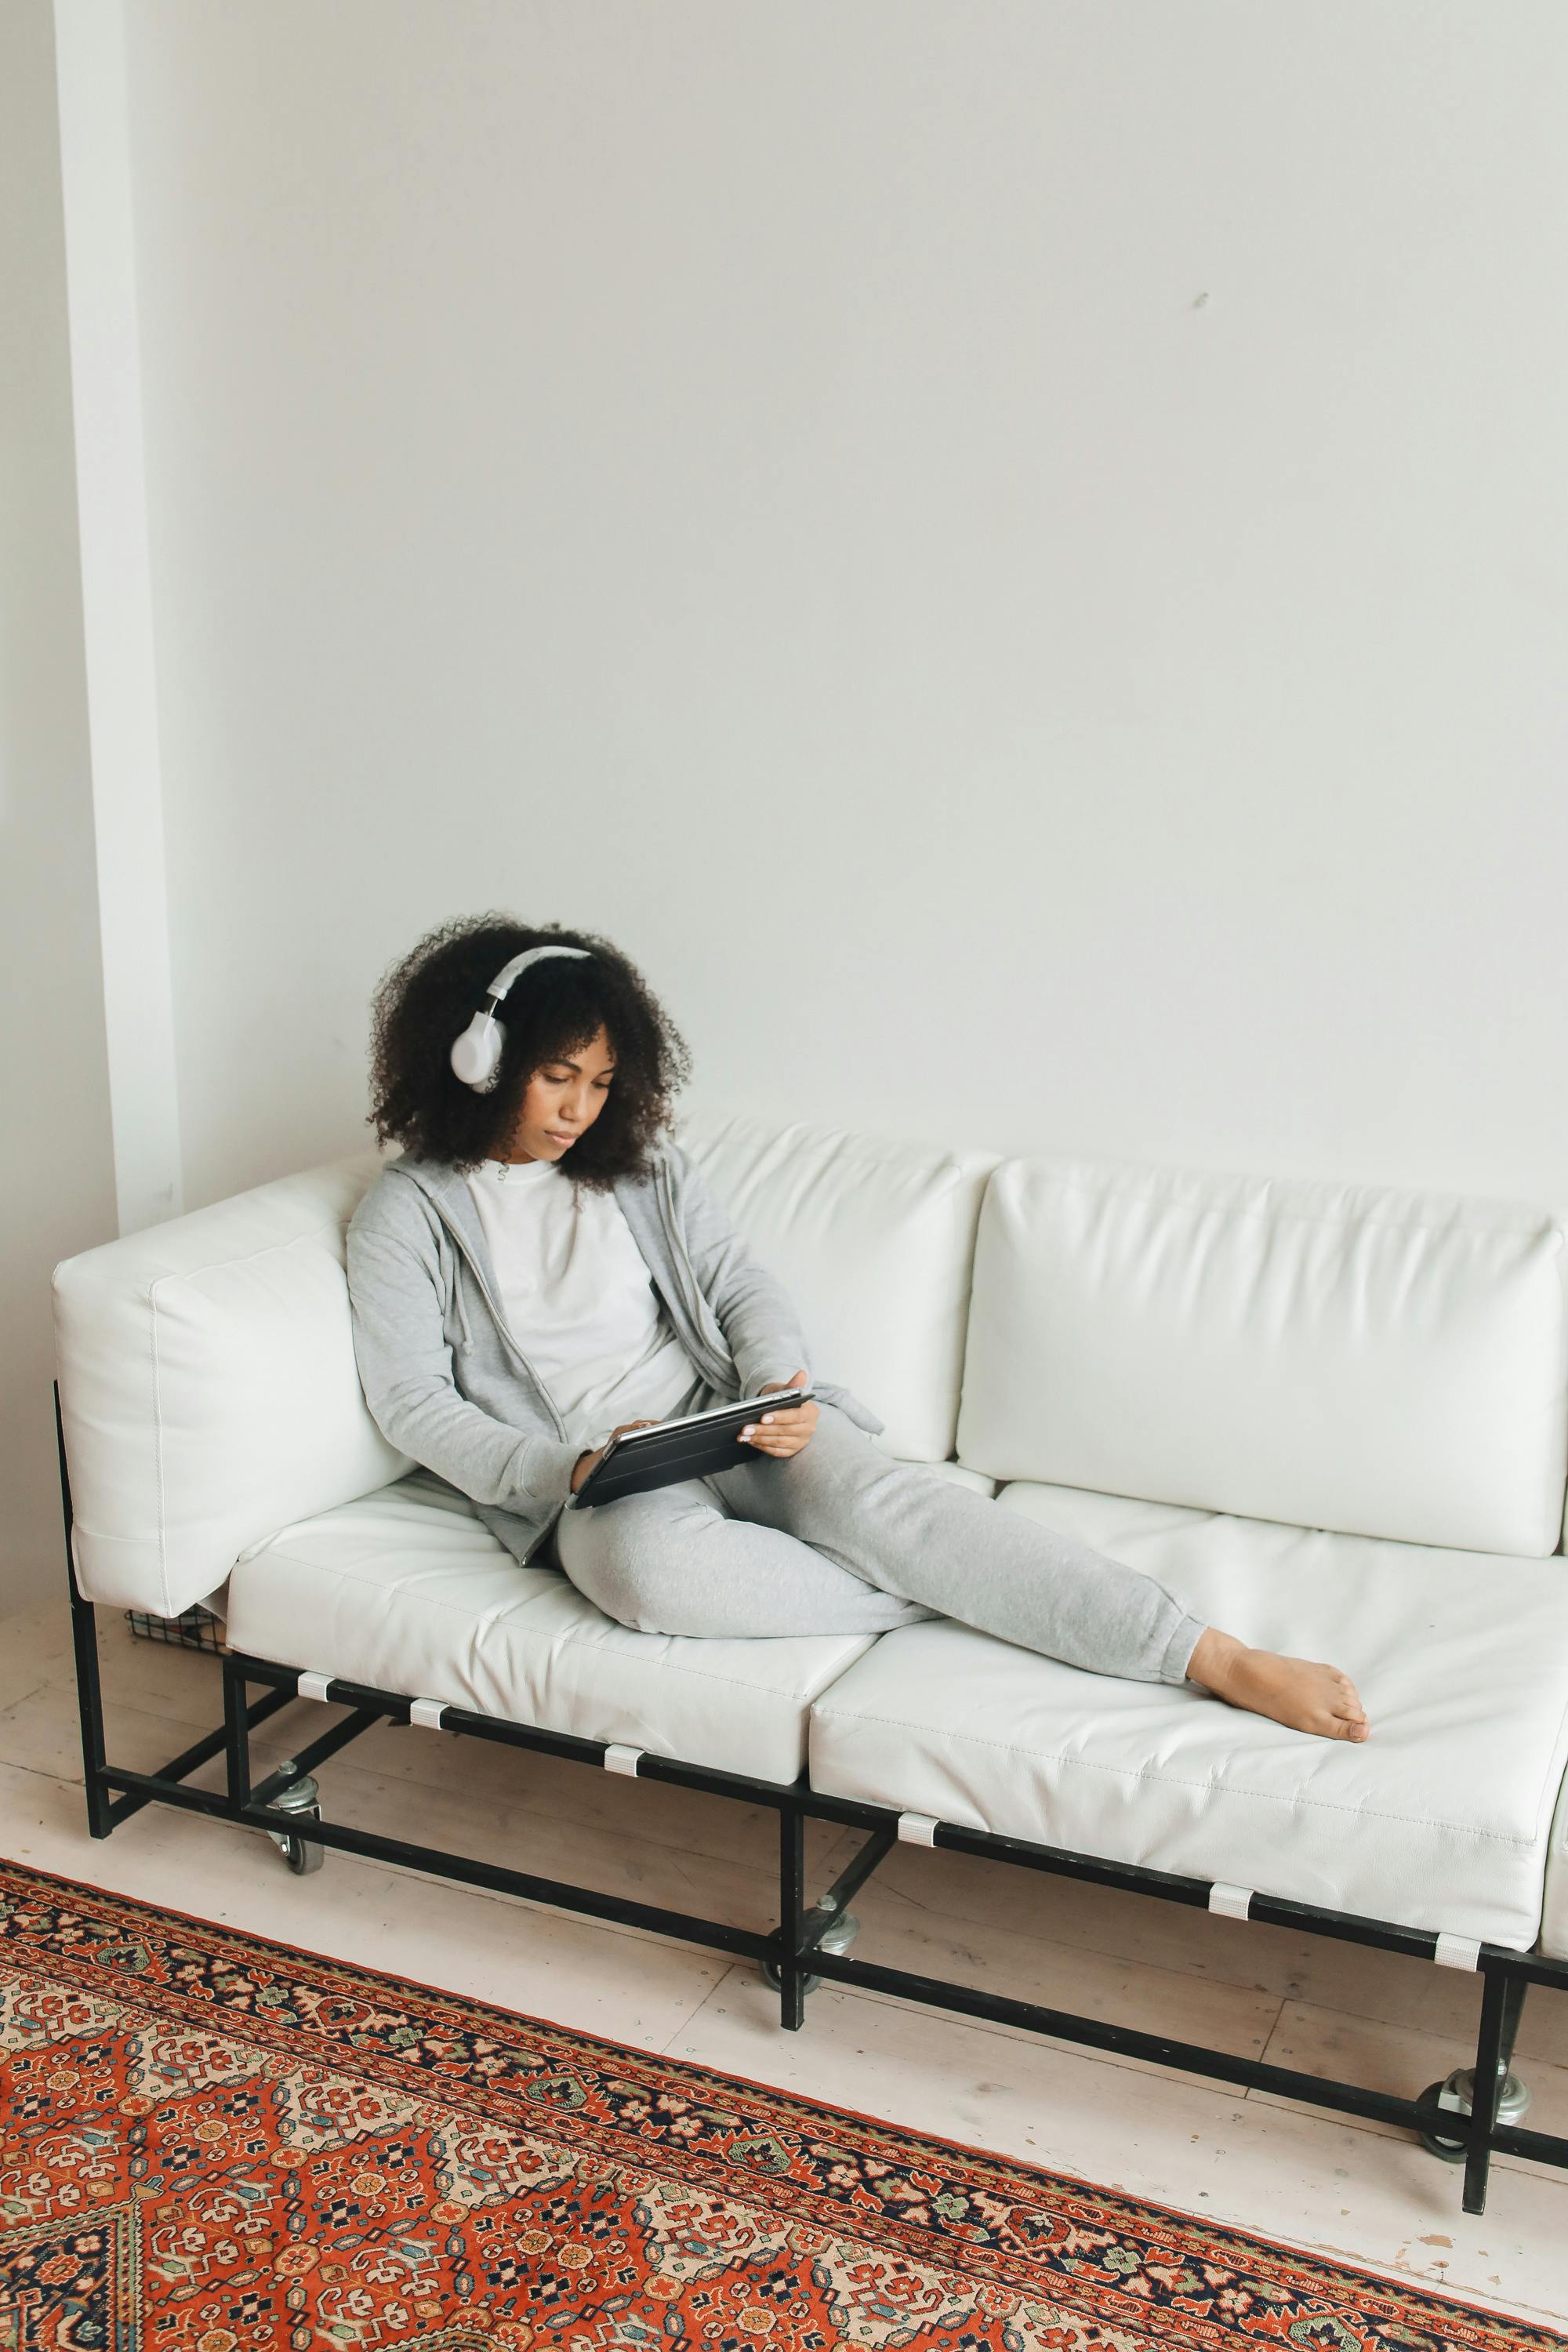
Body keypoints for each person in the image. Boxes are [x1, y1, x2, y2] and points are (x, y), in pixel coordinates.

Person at [346, 913, 1370, 1743]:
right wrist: (560, 1470)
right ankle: (963, 1588)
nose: (579, 1108)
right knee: (647, 1580)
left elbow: (734, 1278)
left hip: (733, 1418)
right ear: (480, 1060)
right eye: (557, 1077)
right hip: (599, 1474)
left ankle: (1216, 1658)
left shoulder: (643, 1168)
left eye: (602, 1082)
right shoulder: (410, 1213)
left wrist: (775, 1379)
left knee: (899, 1508)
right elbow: (412, 1403)